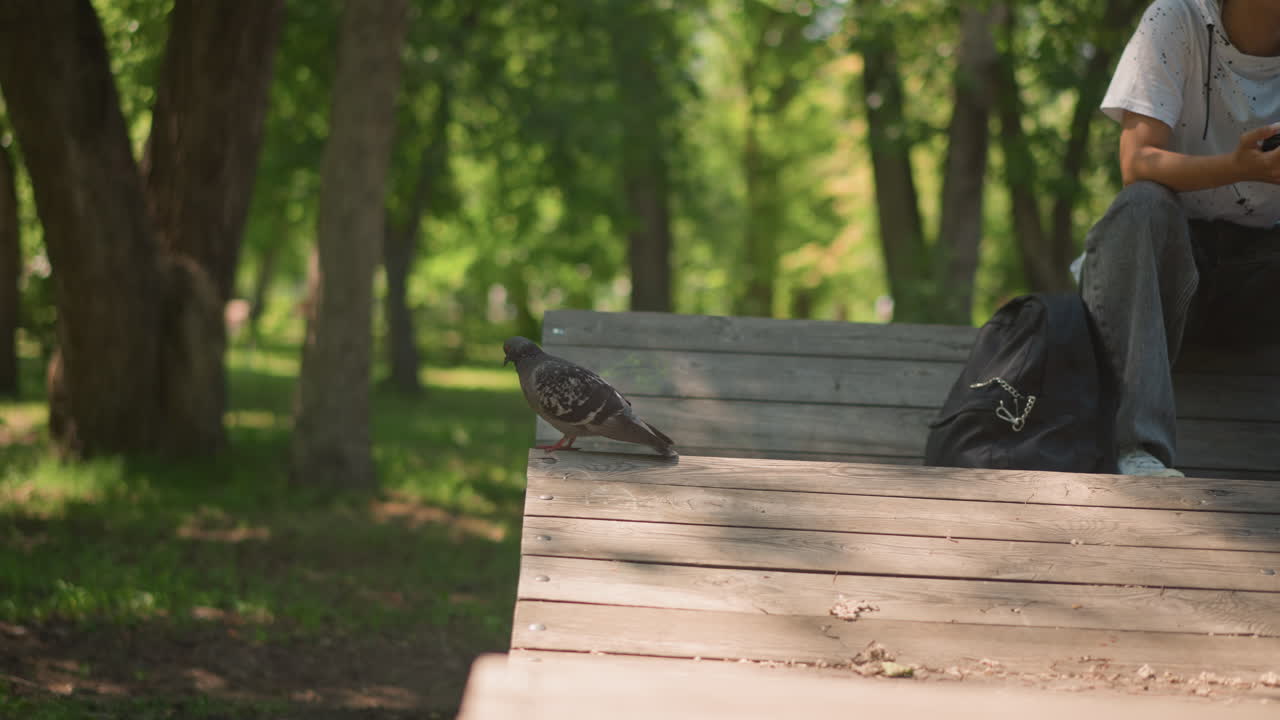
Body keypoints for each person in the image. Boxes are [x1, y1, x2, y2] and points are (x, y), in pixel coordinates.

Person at [1081, 0, 1280, 477]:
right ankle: (1136, 451)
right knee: (1142, 203)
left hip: (1260, 278)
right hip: (1169, 269)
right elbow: (1137, 162)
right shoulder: (1176, 17)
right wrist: (1238, 167)